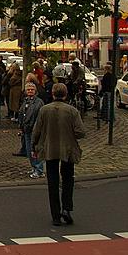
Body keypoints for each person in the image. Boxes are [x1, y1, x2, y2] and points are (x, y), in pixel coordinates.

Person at [32, 83, 86, 226]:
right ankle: (66, 208)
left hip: (49, 148)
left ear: (53, 94)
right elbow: (81, 132)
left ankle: (55, 215)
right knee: (68, 179)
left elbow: (36, 130)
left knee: (53, 181)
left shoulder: (44, 110)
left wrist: (34, 146)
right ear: (66, 94)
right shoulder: (72, 111)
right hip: (67, 149)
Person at [16, 82, 45, 179]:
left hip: (34, 130)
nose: (30, 91)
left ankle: (39, 169)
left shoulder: (39, 102)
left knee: (35, 150)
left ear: (35, 91)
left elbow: (39, 117)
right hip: (26, 129)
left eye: (32, 89)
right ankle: (34, 167)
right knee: (29, 151)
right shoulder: (25, 101)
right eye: (28, 90)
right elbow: (22, 114)